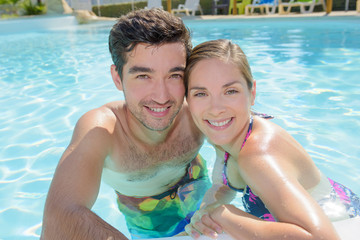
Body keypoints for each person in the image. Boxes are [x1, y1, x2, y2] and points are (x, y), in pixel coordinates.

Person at [41, 9, 211, 239]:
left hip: (196, 181)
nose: (162, 96)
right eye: (143, 76)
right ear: (117, 78)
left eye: (174, 76)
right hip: (145, 212)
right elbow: (59, 216)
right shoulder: (102, 129)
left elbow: (253, 135)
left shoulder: (199, 111)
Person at [184, 39, 360, 240]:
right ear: (188, 100)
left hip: (345, 224)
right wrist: (205, 212)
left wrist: (224, 215)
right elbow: (223, 185)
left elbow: (322, 238)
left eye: (230, 91)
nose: (216, 108)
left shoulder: (257, 155)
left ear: (252, 93)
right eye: (201, 93)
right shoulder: (228, 133)